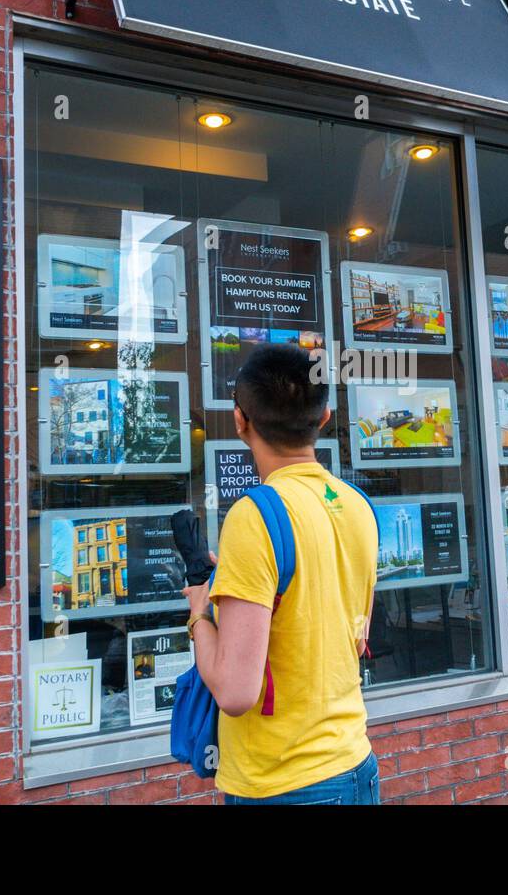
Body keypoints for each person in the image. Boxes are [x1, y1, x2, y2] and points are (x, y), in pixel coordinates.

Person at [183, 343, 380, 804]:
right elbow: (354, 632)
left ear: (239, 420)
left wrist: (200, 615)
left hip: (286, 783)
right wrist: (239, 579)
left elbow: (235, 691)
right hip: (355, 764)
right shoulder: (359, 506)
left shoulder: (254, 517)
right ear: (325, 416)